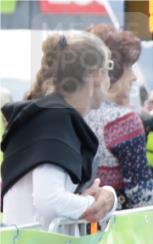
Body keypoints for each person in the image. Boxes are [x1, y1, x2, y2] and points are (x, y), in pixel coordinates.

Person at [1, 32, 117, 230]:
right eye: (108, 68)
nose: (109, 78)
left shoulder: (49, 116)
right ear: (96, 74)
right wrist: (103, 201)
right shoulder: (55, 118)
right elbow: (49, 202)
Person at [84, 24, 153, 209]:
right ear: (114, 70)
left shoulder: (73, 111)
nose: (134, 77)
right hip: (113, 230)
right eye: (130, 68)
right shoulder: (123, 121)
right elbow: (140, 195)